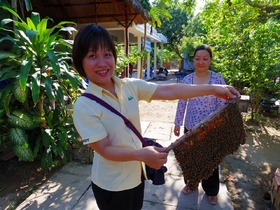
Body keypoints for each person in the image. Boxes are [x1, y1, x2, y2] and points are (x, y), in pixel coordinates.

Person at [72, 24, 239, 210]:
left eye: (107, 54)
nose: (102, 63)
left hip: (136, 176)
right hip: (111, 184)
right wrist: (141, 155)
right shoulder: (84, 106)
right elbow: (105, 149)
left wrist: (213, 89)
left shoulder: (129, 86)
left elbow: (168, 90)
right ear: (81, 61)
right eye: (92, 56)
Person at [173, 44, 227, 205]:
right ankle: (191, 184)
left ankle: (211, 191)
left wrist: (218, 126)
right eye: (197, 59)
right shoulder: (187, 80)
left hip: (211, 129)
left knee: (211, 160)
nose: (201, 62)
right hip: (191, 127)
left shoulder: (218, 80)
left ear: (210, 60)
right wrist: (177, 123)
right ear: (193, 60)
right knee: (191, 159)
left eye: (205, 59)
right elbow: (182, 103)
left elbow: (223, 104)